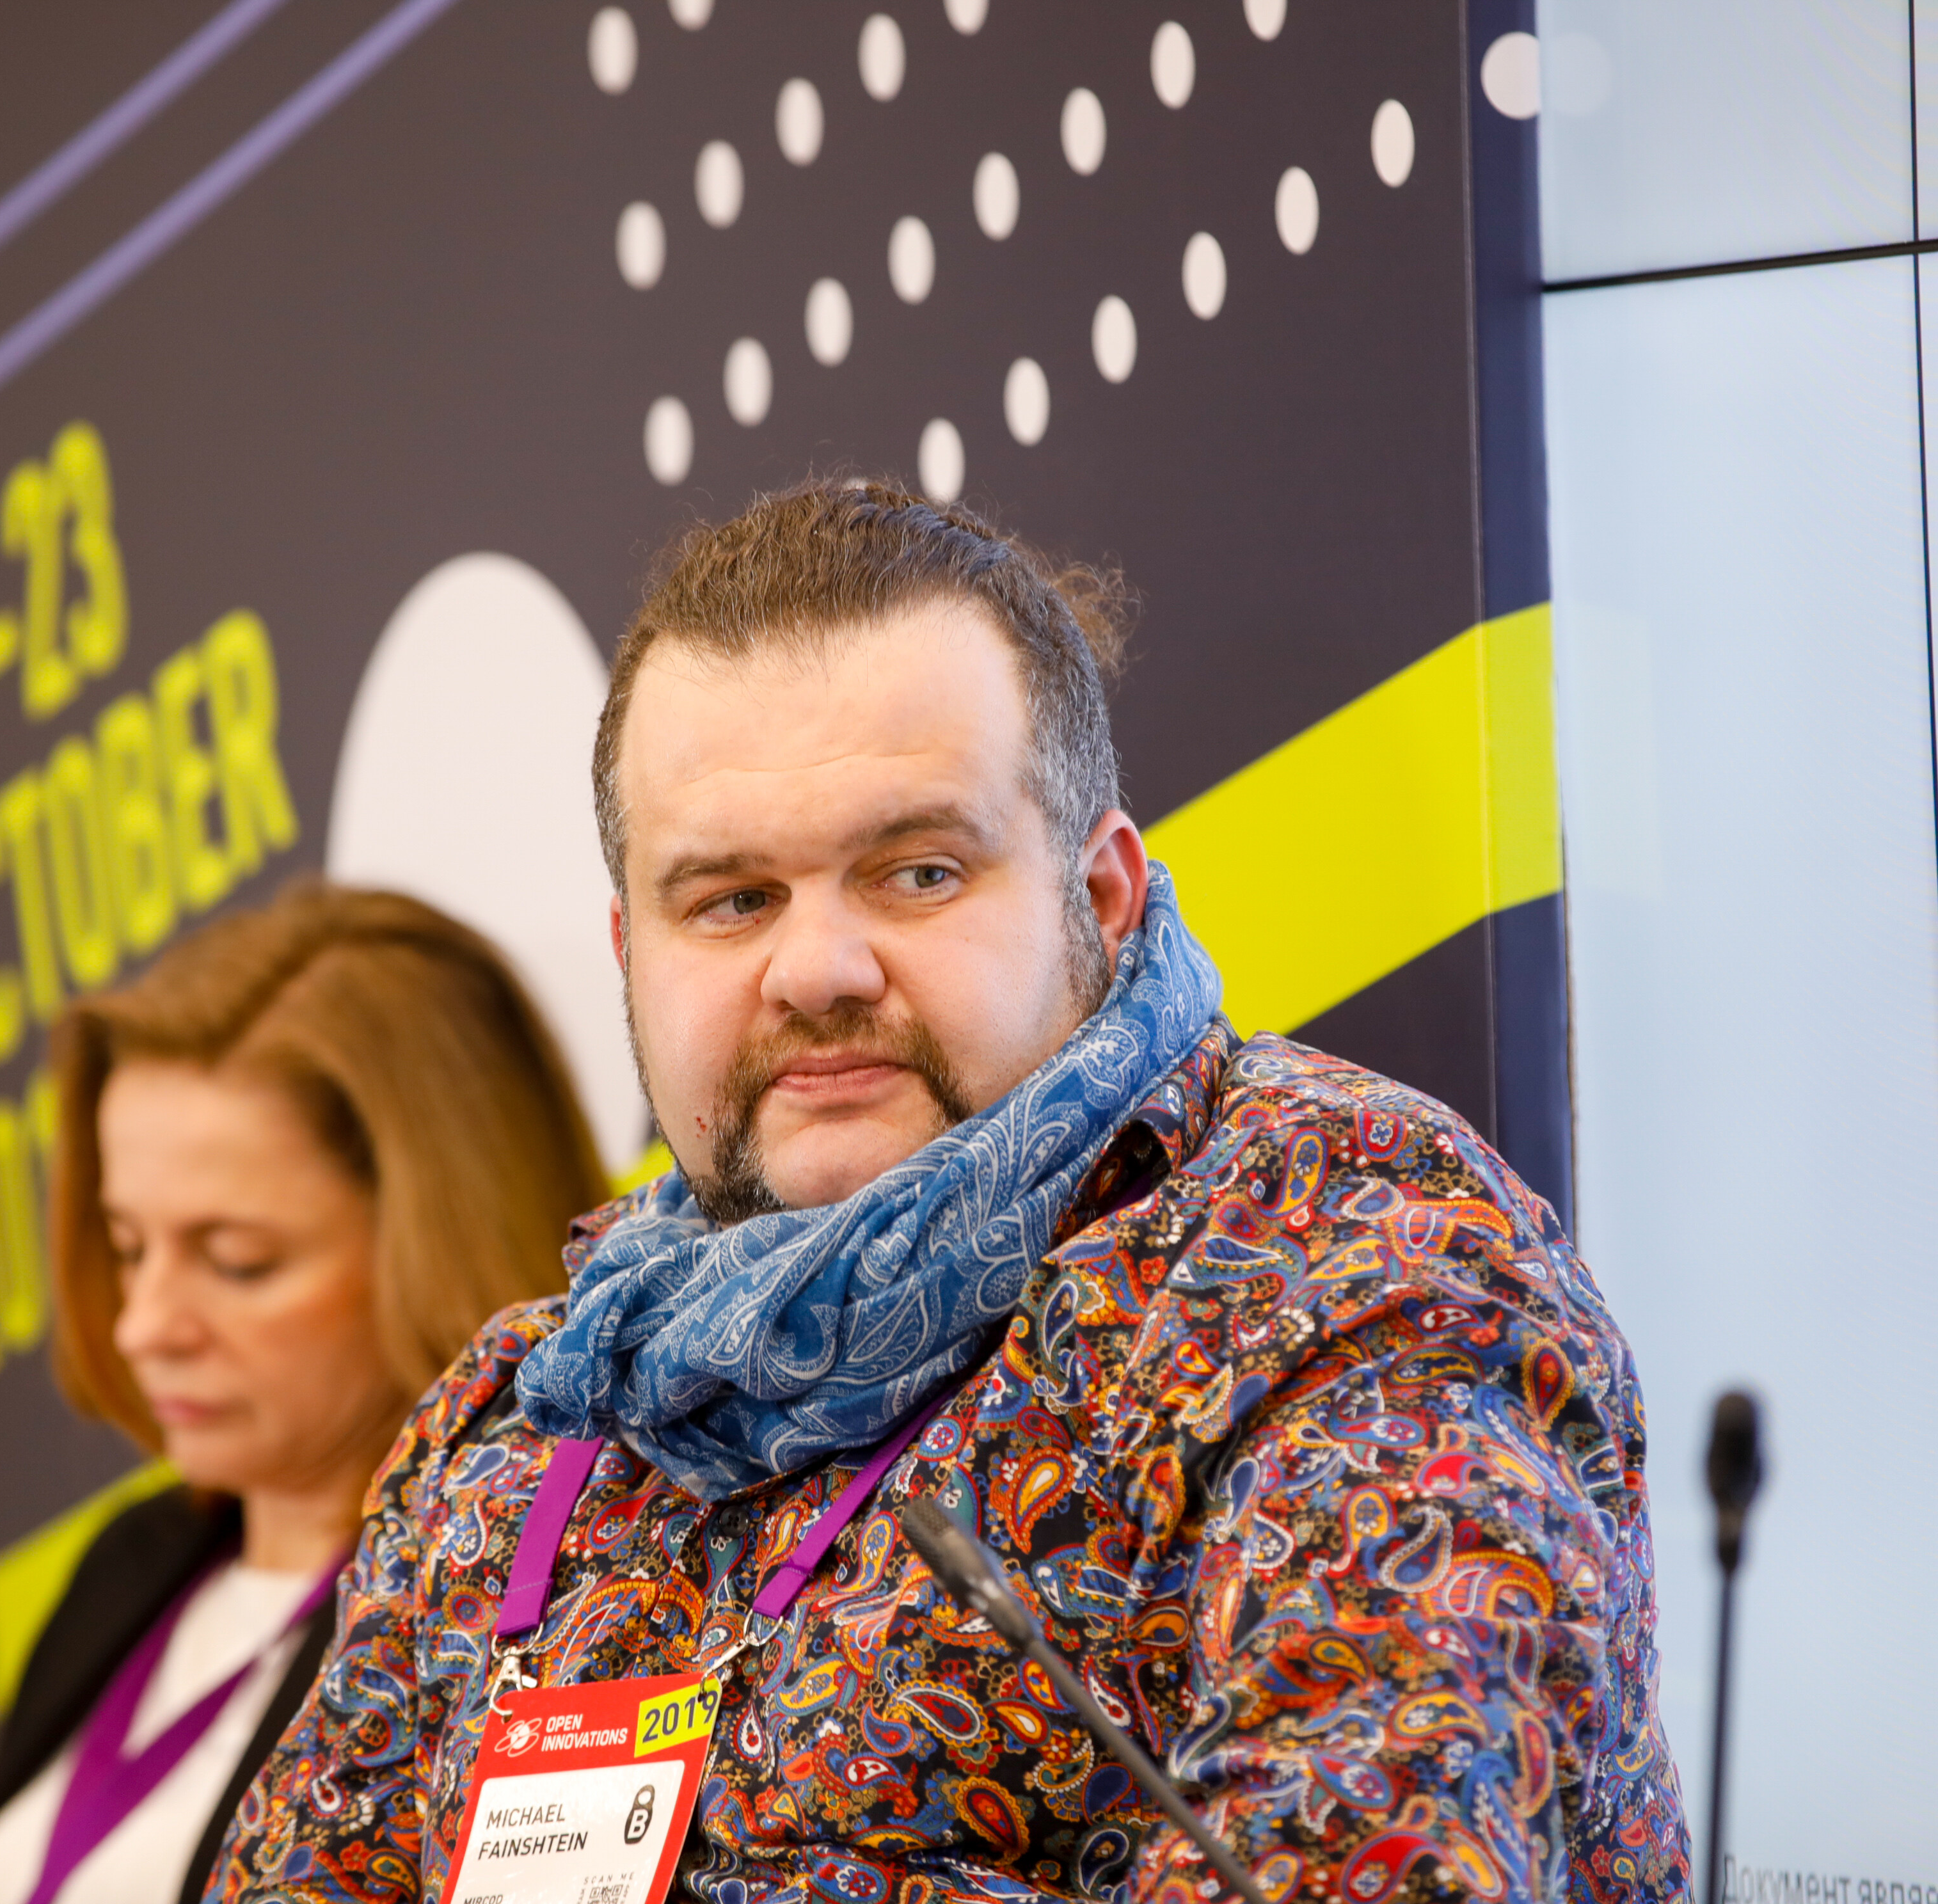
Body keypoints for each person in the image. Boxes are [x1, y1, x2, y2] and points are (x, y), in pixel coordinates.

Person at [209, 481, 1688, 1904]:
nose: (816, 971)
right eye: (732, 901)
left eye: (917, 873)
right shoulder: (522, 1422)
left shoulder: (1348, 1256)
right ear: (629, 955)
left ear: (1098, 897)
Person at [0, 882, 609, 1904]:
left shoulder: (537, 1616)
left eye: (237, 1261)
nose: (143, 1326)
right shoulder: (130, 1564)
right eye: (127, 1247)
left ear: (441, 1248)